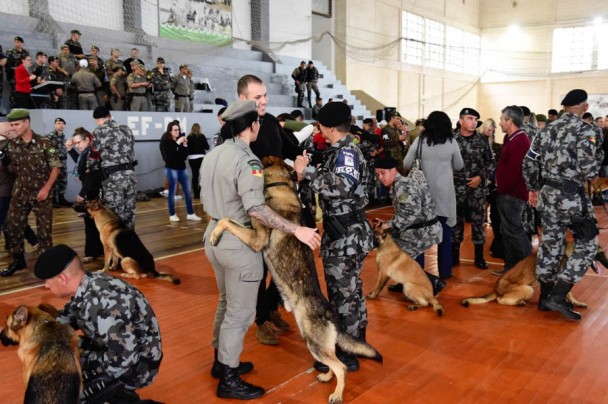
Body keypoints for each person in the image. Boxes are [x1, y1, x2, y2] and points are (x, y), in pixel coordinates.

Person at [200, 99, 320, 400]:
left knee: (226, 303)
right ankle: (228, 378)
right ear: (252, 126)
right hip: (239, 243)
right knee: (239, 314)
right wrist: (297, 229)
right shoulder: (248, 161)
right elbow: (255, 208)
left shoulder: (213, 155)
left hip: (213, 235)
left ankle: (220, 362)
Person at [294, 101, 373, 372]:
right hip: (343, 233)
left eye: (319, 125)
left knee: (345, 297)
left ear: (329, 128)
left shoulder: (346, 153)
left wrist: (307, 171)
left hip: (346, 237)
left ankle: (346, 353)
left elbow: (341, 187)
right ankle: (355, 344)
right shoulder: (337, 151)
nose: (318, 130)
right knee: (349, 294)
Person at [34, 244, 162, 403]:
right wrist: (37, 330)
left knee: (66, 393)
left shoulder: (100, 302)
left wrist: (81, 360)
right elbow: (68, 316)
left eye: (47, 280)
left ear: (62, 278)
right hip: (121, 350)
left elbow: (124, 360)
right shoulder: (90, 283)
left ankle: (121, 396)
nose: (46, 285)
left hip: (136, 368)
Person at [523, 89, 603, 321]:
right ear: (585, 107)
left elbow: (529, 161)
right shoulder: (586, 130)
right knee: (588, 245)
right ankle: (558, 296)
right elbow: (589, 170)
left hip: (548, 195)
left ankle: (544, 298)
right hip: (572, 197)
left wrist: (534, 187)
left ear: (565, 107)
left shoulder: (546, 129)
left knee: (550, 245)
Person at [236, 74, 304, 345]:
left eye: (265, 95)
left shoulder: (272, 122)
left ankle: (271, 308)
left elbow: (293, 147)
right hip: (255, 210)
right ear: (243, 99)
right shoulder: (236, 131)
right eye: (257, 97)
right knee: (260, 270)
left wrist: (301, 163)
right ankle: (261, 319)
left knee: (283, 263)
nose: (264, 101)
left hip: (281, 205)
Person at [403, 111, 464, 280]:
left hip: (423, 196)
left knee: (420, 236)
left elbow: (406, 163)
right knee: (444, 235)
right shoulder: (451, 142)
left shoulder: (420, 141)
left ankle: (419, 273)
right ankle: (445, 272)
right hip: (444, 196)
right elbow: (459, 165)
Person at [0, 109, 61, 277]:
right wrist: (4, 161)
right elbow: (10, 169)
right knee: (12, 226)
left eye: (16, 124)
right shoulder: (12, 145)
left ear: (27, 122)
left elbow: (55, 167)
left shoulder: (44, 142)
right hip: (20, 191)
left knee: (44, 231)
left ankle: (45, 265)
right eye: (11, 125)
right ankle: (18, 260)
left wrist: (46, 188)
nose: (13, 128)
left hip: (41, 192)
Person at [373, 156, 445, 295]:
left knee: (395, 253)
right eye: (378, 174)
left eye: (383, 173)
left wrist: (388, 225)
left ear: (393, 171)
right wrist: (387, 224)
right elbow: (405, 213)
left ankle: (433, 283)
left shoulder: (403, 186)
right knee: (393, 246)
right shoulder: (397, 184)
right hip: (419, 228)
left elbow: (410, 214)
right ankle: (404, 280)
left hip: (425, 231)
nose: (380, 177)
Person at [452, 107, 495, 269]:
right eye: (470, 118)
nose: (473, 122)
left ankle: (479, 256)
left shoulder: (482, 141)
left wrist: (481, 177)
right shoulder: (452, 140)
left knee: (478, 222)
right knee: (456, 222)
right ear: (461, 120)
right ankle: (454, 255)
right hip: (456, 188)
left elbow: (491, 163)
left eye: (476, 120)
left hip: (476, 190)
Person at [492, 106, 532, 276]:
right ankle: (511, 267)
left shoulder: (519, 141)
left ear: (510, 121)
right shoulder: (511, 138)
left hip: (512, 194)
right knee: (507, 231)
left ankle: (529, 266)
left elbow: (515, 170)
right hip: (506, 192)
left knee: (514, 230)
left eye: (502, 119)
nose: (499, 122)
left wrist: (502, 188)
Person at [91, 106, 137, 230]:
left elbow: (94, 151)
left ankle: (119, 245)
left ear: (98, 120)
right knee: (130, 212)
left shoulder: (99, 130)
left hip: (113, 178)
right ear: (110, 115)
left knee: (115, 215)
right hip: (130, 175)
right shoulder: (126, 129)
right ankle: (131, 242)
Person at [66, 127, 104, 263]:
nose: (77, 145)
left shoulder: (92, 153)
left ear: (87, 140)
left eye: (78, 142)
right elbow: (80, 164)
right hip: (89, 189)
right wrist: (71, 151)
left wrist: (82, 194)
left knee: (91, 223)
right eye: (75, 143)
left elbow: (92, 176)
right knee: (91, 222)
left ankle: (93, 252)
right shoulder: (85, 153)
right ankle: (96, 250)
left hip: (93, 191)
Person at [159, 122, 202, 222]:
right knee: (172, 192)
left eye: (178, 129)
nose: (177, 131)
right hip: (171, 168)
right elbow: (170, 156)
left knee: (187, 191)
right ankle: (172, 214)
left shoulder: (180, 139)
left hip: (182, 168)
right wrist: (178, 143)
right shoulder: (166, 141)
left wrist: (185, 145)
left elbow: (184, 155)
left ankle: (190, 213)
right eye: (175, 130)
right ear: (170, 131)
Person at [47, 117, 71, 208]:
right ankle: (53, 201)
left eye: (62, 123)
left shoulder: (63, 136)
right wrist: (55, 156)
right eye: (58, 123)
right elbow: (49, 149)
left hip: (63, 161)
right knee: (55, 181)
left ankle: (61, 199)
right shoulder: (51, 136)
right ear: (55, 125)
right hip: (56, 162)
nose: (60, 125)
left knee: (63, 180)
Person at [186, 123, 210, 199]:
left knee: (195, 175)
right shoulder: (202, 136)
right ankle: (201, 191)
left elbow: (187, 148)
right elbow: (207, 147)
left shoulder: (189, 137)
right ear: (199, 128)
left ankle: (196, 194)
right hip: (201, 157)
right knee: (203, 175)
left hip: (192, 158)